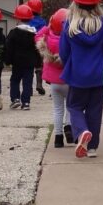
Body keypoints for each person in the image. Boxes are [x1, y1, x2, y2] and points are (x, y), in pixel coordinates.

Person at [59, 0, 103, 158]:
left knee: (74, 106)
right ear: (97, 3)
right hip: (99, 76)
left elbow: (63, 52)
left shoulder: (69, 26)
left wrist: (72, 64)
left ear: (74, 2)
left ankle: (82, 131)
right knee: (95, 110)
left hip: (77, 76)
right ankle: (92, 147)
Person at [36, 8, 71, 147]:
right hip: (68, 80)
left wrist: (47, 27)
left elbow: (37, 36)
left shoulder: (47, 40)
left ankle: (57, 138)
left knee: (57, 109)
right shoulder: (68, 40)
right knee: (70, 106)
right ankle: (69, 127)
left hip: (54, 83)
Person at [3, 4, 41, 111]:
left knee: (15, 80)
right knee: (27, 82)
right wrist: (38, 62)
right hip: (30, 63)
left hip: (17, 62)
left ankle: (15, 99)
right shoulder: (34, 34)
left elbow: (8, 48)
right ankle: (26, 102)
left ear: (18, 18)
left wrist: (7, 60)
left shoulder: (13, 33)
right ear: (30, 18)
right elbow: (38, 49)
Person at [27, 0, 47, 96]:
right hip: (39, 45)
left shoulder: (27, 21)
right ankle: (39, 84)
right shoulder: (43, 22)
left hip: (29, 46)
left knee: (29, 67)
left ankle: (28, 88)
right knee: (39, 66)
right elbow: (45, 34)